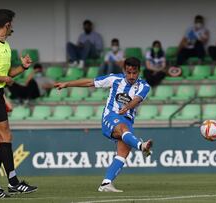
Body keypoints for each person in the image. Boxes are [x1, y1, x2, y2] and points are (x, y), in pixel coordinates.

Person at [54, 57, 153, 192]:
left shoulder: (144, 86)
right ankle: (141, 146)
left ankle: (106, 184)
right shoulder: (114, 79)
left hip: (127, 121)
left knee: (122, 153)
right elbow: (90, 82)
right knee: (123, 130)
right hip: (111, 117)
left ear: (139, 72)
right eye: (128, 72)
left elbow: (136, 100)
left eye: (134, 73)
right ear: (125, 70)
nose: (131, 76)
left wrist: (127, 107)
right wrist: (67, 84)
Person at [0, 9, 37, 198]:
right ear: (7, 24)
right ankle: (13, 182)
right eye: (12, 23)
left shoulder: (5, 45)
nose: (13, 26)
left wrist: (23, 68)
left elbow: (8, 74)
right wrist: (3, 77)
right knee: (6, 136)